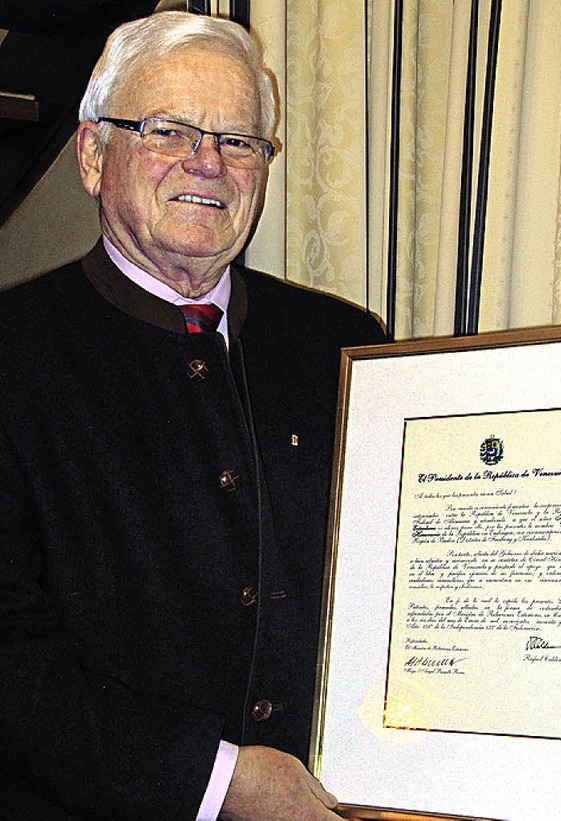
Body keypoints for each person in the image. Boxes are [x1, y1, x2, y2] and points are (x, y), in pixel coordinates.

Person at [0, 10, 385, 821]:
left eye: (240, 140)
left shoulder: (347, 345)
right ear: (93, 155)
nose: (208, 163)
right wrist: (218, 779)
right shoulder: (14, 355)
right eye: (169, 130)